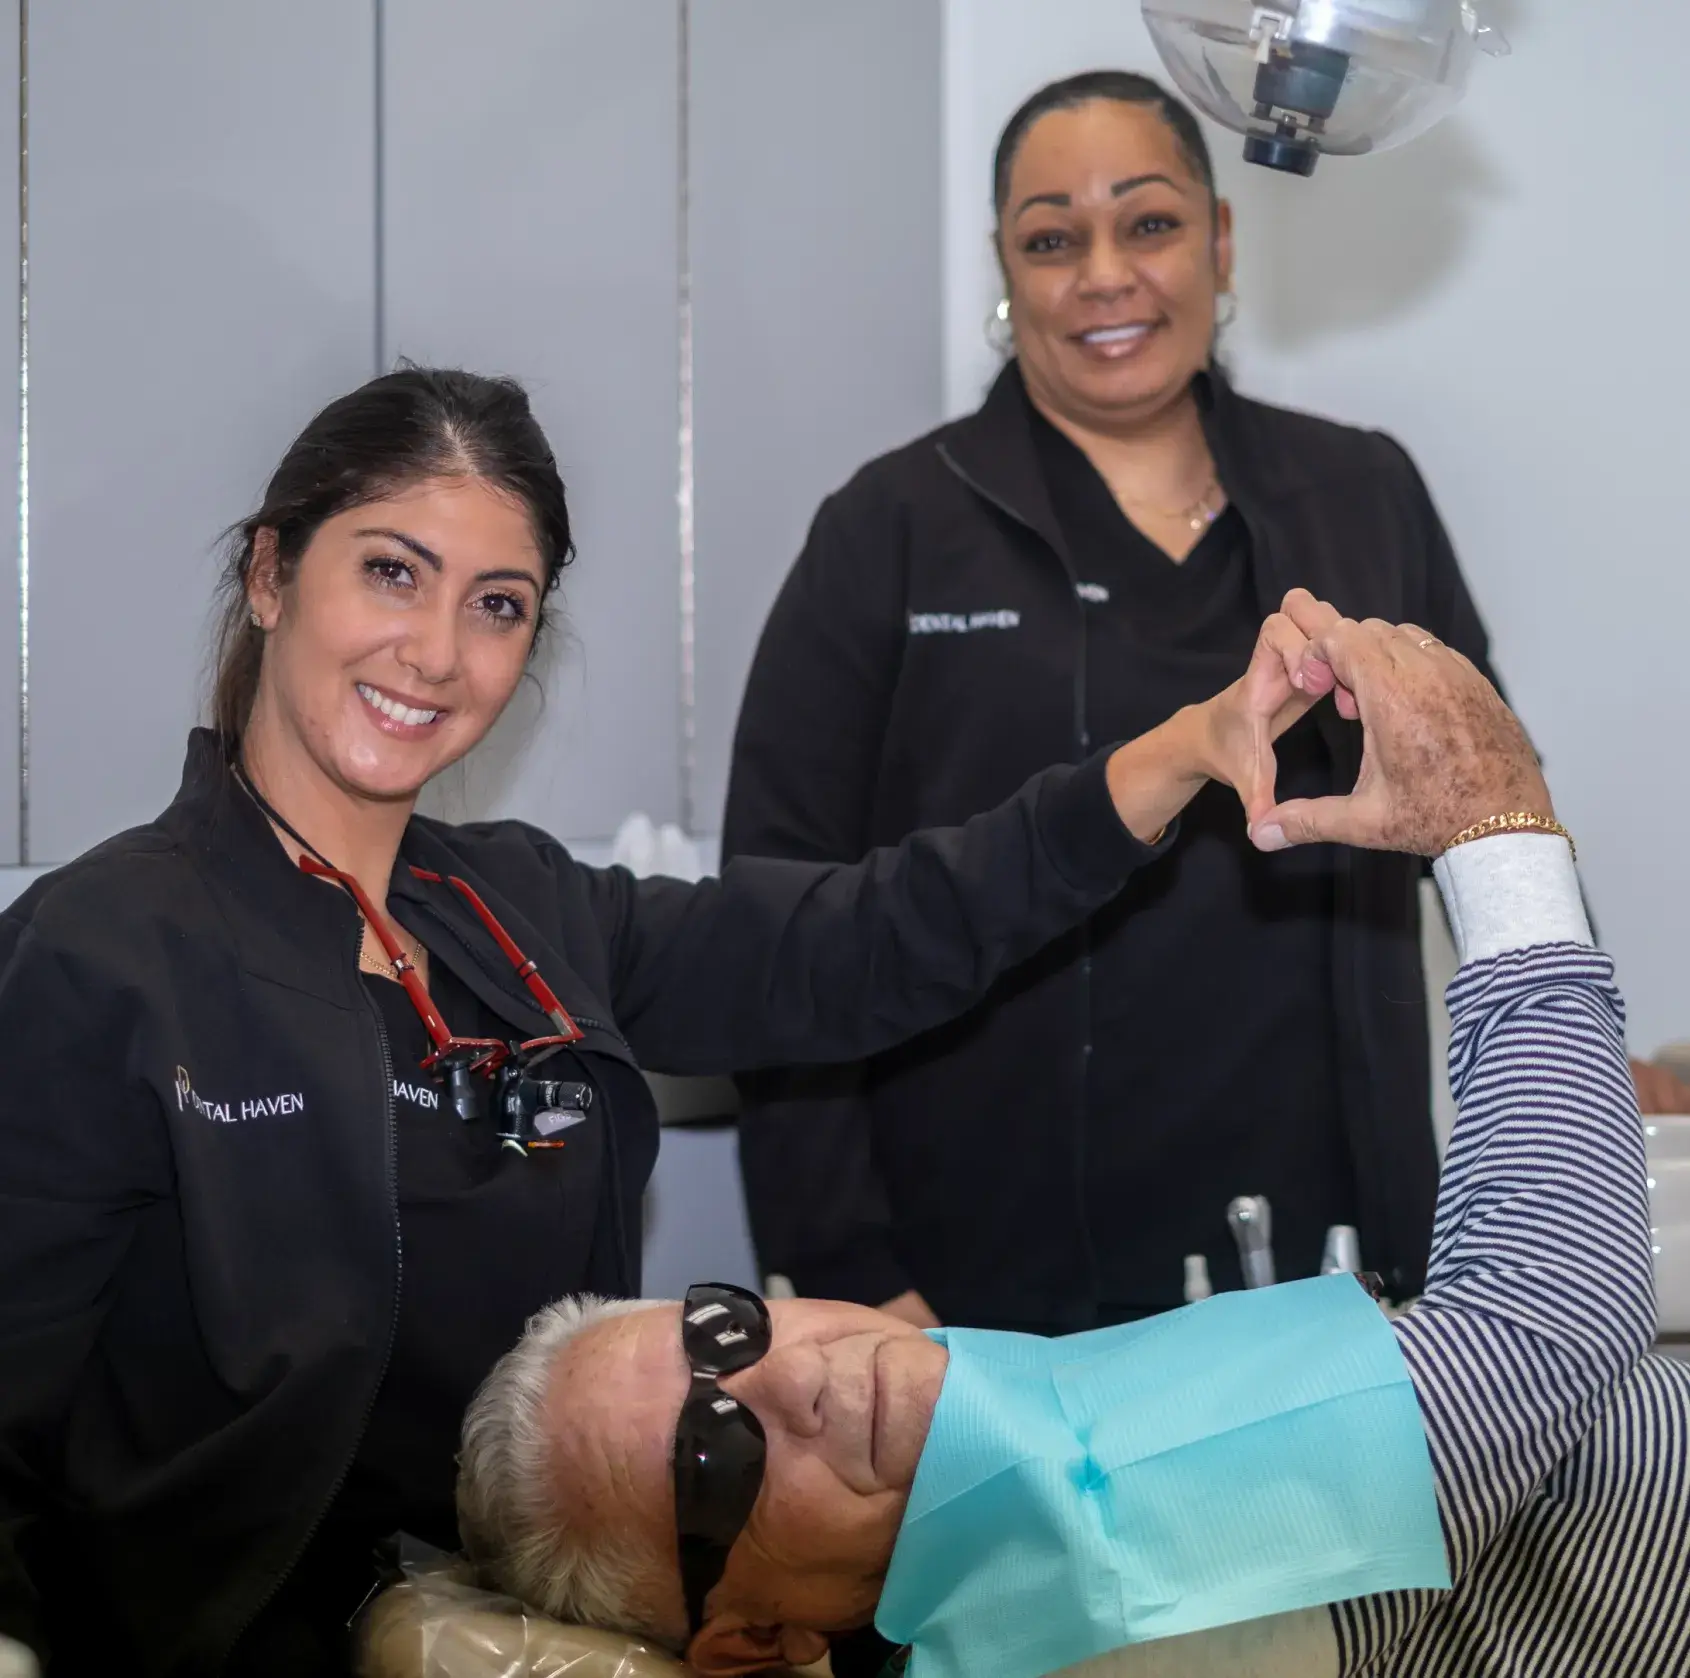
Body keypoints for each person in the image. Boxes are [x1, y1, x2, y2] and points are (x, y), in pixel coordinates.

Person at [0, 367, 1345, 1676]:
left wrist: (1178, 751)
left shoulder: (520, 908)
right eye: (390, 571)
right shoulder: (107, 955)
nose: (435, 652)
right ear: (271, 573)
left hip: (559, 1629)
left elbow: (863, 940)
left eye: (498, 604)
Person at [459, 612, 1688, 1678]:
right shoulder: (1077, 1588)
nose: (799, 1379)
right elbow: (1548, 1319)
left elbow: (889, 923)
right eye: (716, 1455)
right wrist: (1496, 825)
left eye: (720, 1329)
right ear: (751, 1641)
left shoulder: (1011, 1484)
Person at [724, 68, 1679, 1335]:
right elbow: (781, 908)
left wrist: (1582, 1073)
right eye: (1053, 238)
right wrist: (845, 1266)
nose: (1105, 273)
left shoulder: (1360, 493)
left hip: (1342, 1247)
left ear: (1220, 244)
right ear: (1006, 274)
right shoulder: (892, 530)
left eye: (1151, 222)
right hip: (987, 1279)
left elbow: (1490, 797)